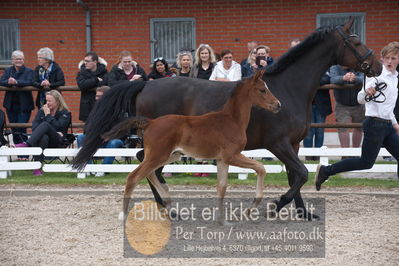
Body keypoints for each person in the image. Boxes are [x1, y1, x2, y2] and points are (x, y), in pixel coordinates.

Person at [315, 42, 399, 189]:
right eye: (387, 58)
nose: (390, 61)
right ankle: (325, 170)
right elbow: (360, 98)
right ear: (382, 58)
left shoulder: (395, 78)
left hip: (387, 126)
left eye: (393, 58)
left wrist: (394, 122)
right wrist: (367, 93)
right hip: (374, 124)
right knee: (365, 162)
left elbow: (388, 105)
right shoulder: (374, 74)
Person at [15, 90, 71, 176]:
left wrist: (48, 116)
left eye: (50, 101)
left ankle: (27, 144)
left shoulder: (65, 113)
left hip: (57, 142)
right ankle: (37, 168)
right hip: (44, 140)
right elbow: (34, 127)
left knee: (45, 124)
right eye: (46, 100)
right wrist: (44, 130)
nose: (47, 103)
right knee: (43, 137)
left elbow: (60, 126)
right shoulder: (42, 111)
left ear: (57, 101)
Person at [76, 86, 124, 177]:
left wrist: (109, 136)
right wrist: (93, 135)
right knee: (81, 138)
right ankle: (90, 168)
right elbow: (86, 128)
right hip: (96, 139)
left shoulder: (118, 110)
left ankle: (103, 169)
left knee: (114, 142)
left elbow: (122, 129)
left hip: (111, 139)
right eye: (96, 96)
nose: (96, 99)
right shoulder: (94, 110)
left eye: (99, 96)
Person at [0, 50, 34, 155]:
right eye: (17, 59)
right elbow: (2, 81)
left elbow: (30, 82)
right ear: (13, 60)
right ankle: (18, 153)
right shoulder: (8, 70)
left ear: (23, 60)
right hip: (11, 105)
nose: (19, 61)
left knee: (22, 128)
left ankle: (23, 153)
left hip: (24, 105)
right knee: (14, 128)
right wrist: (9, 82)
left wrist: (17, 82)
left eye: (21, 59)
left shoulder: (29, 71)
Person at [330, 65, 365, 149]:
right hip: (341, 104)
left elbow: (364, 78)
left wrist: (355, 78)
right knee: (342, 129)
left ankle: (355, 153)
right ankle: (345, 154)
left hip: (358, 104)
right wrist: (343, 78)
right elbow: (332, 79)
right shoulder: (335, 67)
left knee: (359, 128)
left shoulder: (359, 65)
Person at [303, 71, 332, 160]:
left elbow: (327, 79)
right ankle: (308, 156)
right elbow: (302, 81)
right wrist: (316, 81)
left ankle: (318, 156)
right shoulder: (304, 67)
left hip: (321, 105)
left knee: (319, 132)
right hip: (307, 105)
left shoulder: (324, 66)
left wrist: (312, 81)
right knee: (308, 132)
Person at [76, 51, 108, 122]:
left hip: (100, 104)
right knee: (87, 129)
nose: (85, 63)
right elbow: (82, 85)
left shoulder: (104, 72)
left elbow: (105, 83)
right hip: (86, 105)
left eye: (88, 61)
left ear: (95, 62)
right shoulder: (81, 73)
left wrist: (89, 84)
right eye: (85, 61)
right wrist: (96, 80)